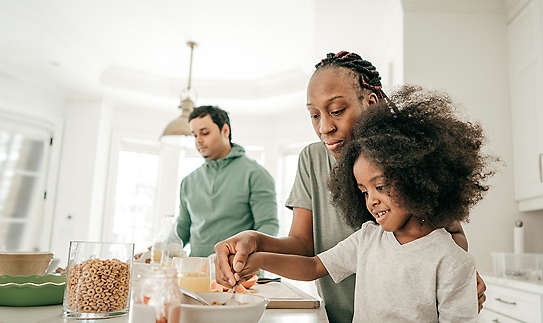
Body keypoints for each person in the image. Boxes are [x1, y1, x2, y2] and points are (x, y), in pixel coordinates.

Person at [214, 52, 486, 323]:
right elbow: (307, 251)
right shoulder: (315, 161)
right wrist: (257, 244)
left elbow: (449, 237)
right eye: (313, 115)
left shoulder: (409, 159)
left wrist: (455, 282)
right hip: (337, 313)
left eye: (336, 111)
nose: (324, 128)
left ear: (371, 101)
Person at [176, 105, 279, 257]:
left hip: (240, 273)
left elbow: (268, 226)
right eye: (195, 135)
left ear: (225, 130)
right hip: (196, 274)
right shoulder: (188, 181)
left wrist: (242, 256)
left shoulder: (256, 174)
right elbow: (182, 230)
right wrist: (159, 249)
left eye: (204, 133)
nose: (198, 140)